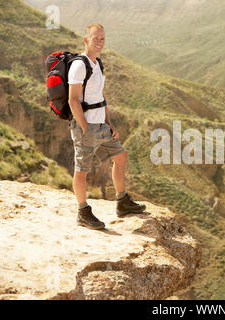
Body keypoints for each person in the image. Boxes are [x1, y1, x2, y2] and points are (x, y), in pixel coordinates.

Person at [68, 23, 145, 230]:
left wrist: (109, 124)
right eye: (96, 39)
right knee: (82, 170)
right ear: (86, 40)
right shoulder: (79, 65)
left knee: (120, 156)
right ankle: (83, 212)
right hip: (86, 128)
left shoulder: (97, 64)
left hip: (101, 125)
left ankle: (122, 202)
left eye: (102, 39)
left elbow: (100, 97)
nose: (100, 43)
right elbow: (73, 100)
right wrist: (84, 127)